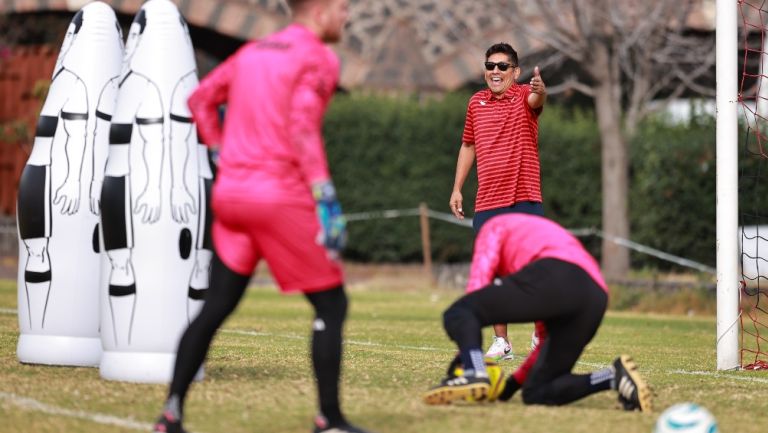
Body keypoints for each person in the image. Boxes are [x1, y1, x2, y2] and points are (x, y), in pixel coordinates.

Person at [152, 1, 374, 432]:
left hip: (231, 196)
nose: (347, 17)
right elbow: (302, 127)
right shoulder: (318, 58)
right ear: (322, 9)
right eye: (344, 8)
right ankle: (329, 418)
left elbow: (199, 100)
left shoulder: (252, 53)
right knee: (332, 302)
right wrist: (325, 196)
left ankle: (170, 413)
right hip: (278, 197)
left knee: (214, 307)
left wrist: (218, 151)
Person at [422, 213, 652, 412]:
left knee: (458, 311)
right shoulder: (534, 232)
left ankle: (474, 371)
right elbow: (543, 339)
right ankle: (613, 377)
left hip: (555, 272)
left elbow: (476, 290)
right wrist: (508, 388)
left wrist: (466, 355)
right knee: (538, 391)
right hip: (595, 296)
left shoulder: (491, 228)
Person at [449, 42, 547, 361]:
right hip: (487, 202)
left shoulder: (523, 96)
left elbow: (537, 99)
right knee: (491, 271)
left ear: (515, 72)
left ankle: (540, 335)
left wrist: (540, 89)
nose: (495, 71)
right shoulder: (475, 103)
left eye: (502, 66)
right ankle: (501, 342)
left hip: (524, 196)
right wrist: (457, 188)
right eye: (490, 66)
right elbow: (468, 146)